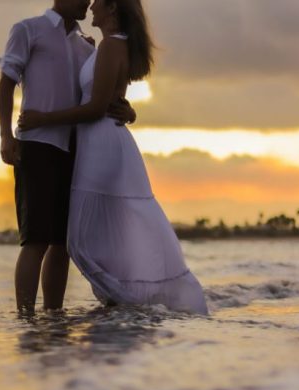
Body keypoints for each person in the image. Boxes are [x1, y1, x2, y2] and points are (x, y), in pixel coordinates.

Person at [19, 0, 209, 314]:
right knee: (96, 230)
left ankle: (121, 297)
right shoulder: (104, 47)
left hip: (101, 143)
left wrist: (43, 119)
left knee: (81, 234)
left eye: (97, 2)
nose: (91, 5)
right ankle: (118, 298)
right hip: (97, 143)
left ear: (111, 8)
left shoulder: (110, 47)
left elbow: (95, 109)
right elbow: (107, 96)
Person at [0, 0, 135, 314]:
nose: (88, 2)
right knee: (35, 239)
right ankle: (26, 319)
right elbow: (6, 85)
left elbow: (104, 98)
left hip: (76, 151)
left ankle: (54, 317)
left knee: (62, 244)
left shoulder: (88, 47)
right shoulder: (28, 30)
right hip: (37, 145)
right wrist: (6, 135)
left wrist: (130, 111)